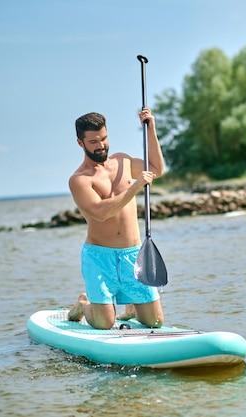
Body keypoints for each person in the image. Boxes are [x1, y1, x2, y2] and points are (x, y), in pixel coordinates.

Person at [67, 109, 165, 329]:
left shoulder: (123, 161)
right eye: (93, 141)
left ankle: (131, 307)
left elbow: (157, 169)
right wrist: (136, 187)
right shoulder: (79, 179)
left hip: (133, 253)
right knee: (104, 324)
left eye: (103, 138)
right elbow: (101, 213)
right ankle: (84, 303)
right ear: (80, 143)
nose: (100, 145)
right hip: (99, 257)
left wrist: (150, 129)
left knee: (155, 322)